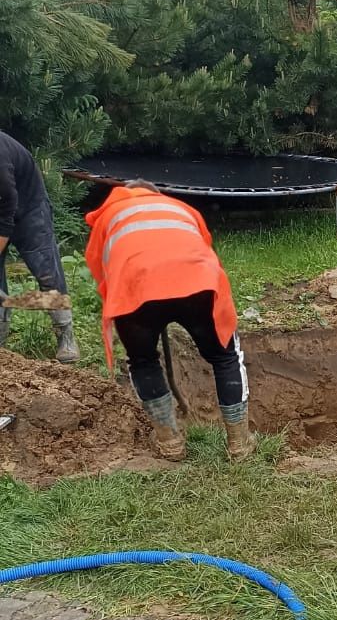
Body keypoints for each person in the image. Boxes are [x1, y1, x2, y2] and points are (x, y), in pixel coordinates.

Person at [84, 181, 251, 461]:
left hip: (137, 290)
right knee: (224, 357)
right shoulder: (180, 208)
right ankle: (240, 444)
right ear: (155, 194)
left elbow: (101, 270)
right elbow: (205, 248)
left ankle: (169, 442)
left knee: (143, 361)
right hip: (198, 285)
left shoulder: (109, 217)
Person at [0, 130, 79, 363]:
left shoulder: (0, 159)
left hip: (28, 209)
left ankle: (66, 334)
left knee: (46, 271)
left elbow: (5, 216)